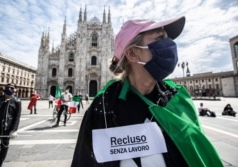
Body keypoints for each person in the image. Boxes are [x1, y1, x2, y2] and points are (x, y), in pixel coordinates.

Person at [71, 16, 223, 167]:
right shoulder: (104, 107)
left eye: (167, 38)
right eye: (159, 38)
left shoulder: (178, 99)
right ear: (132, 53)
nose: (169, 44)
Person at [0, 83, 21, 167]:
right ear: (4, 89)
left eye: (12, 88)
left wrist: (14, 130)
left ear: (15, 90)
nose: (9, 89)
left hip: (6, 127)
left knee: (4, 146)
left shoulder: (17, 101)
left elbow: (17, 117)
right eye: (8, 87)